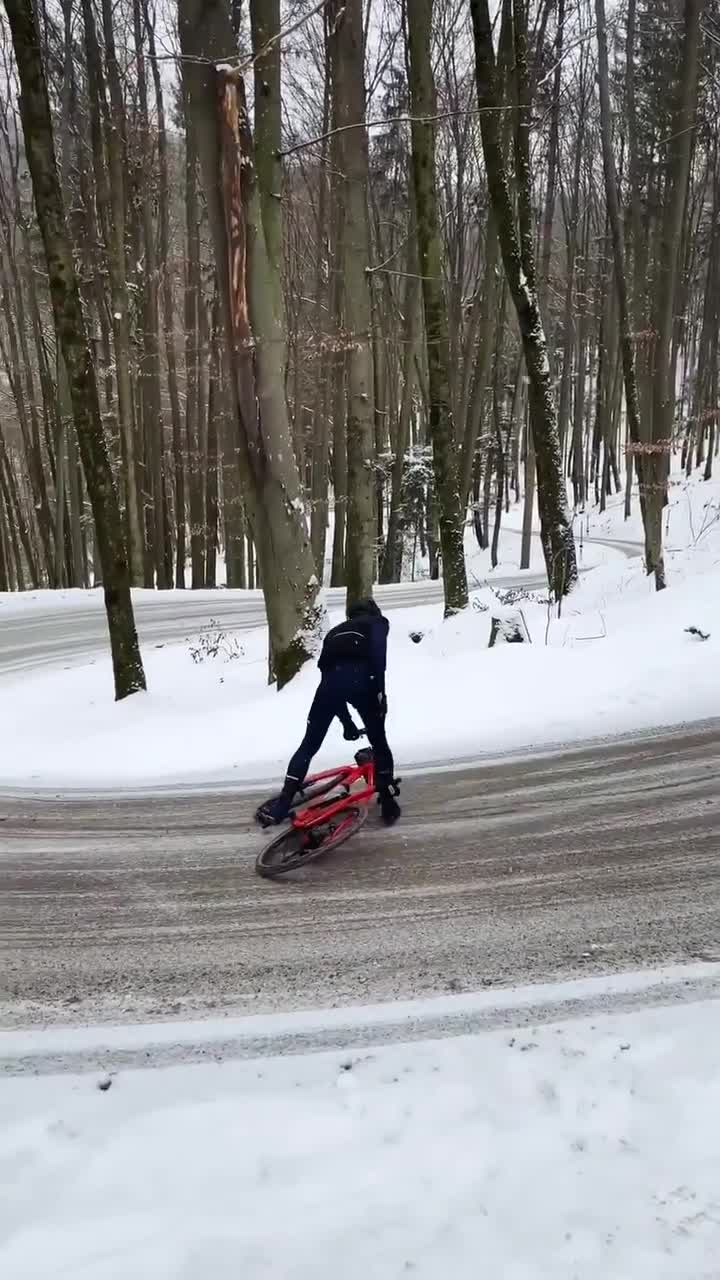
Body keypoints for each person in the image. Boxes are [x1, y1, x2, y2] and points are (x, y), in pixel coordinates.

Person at [255, 598, 401, 827]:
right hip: (364, 682)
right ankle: (387, 800)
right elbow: (378, 659)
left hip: (329, 687)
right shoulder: (377, 623)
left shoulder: (335, 632)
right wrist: (381, 696)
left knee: (309, 745)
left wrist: (347, 723)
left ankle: (282, 805)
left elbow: (329, 676)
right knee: (379, 742)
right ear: (374, 612)